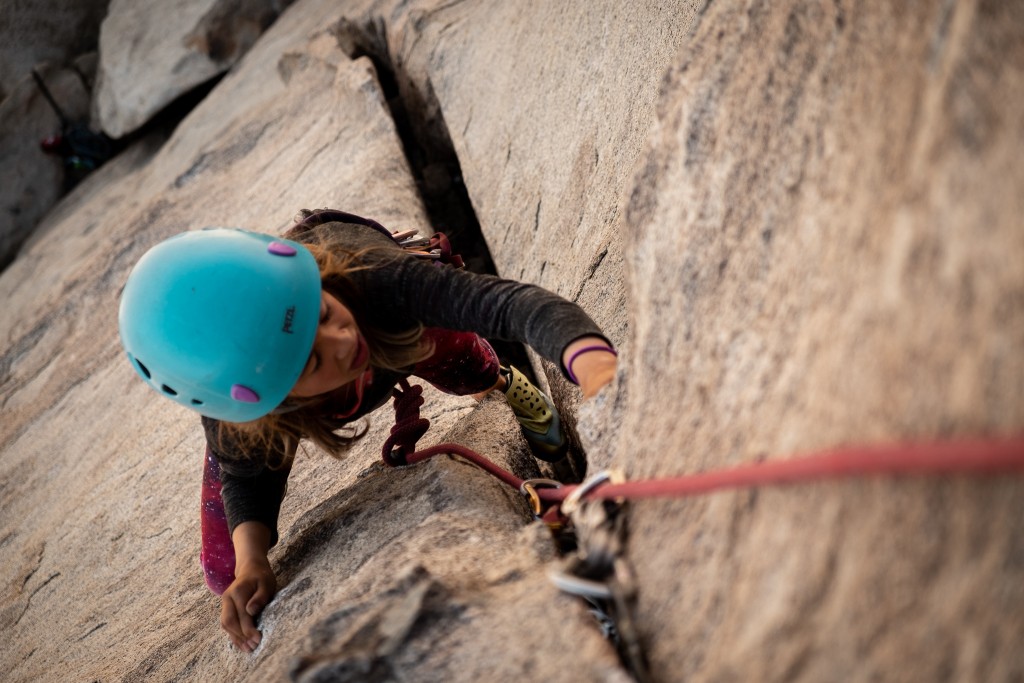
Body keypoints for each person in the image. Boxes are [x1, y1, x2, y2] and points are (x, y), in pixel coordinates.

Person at [118, 209, 618, 653]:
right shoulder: (244, 413)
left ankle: (500, 379)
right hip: (286, 389)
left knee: (452, 352)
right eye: (313, 358)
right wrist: (252, 562)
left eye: (323, 313)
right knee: (225, 572)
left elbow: (510, 305)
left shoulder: (370, 279)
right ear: (275, 406)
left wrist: (594, 366)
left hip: (388, 316)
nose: (343, 339)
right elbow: (248, 478)